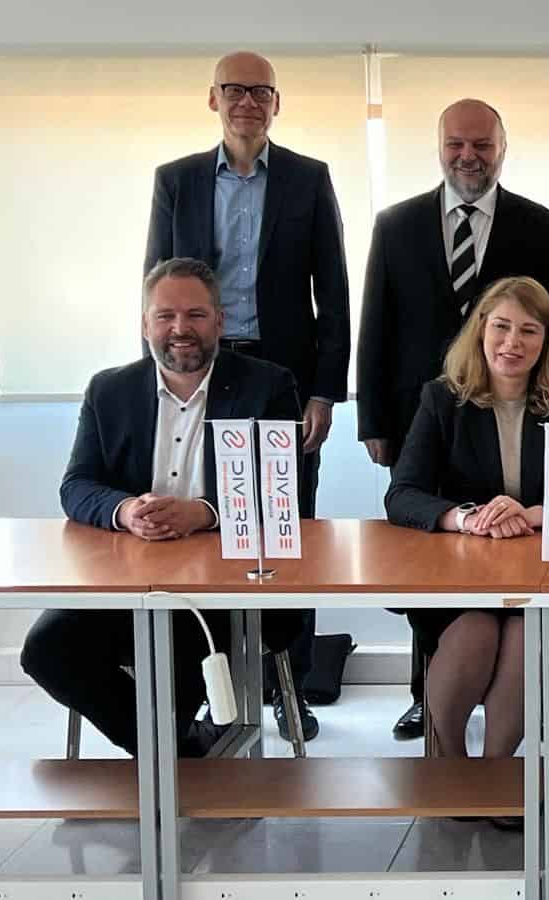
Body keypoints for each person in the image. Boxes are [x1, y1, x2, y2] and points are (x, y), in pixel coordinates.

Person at [358, 98, 549, 741]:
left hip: (533, 431)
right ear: (439, 146)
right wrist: (374, 418)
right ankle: (427, 708)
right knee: (443, 579)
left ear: (501, 149)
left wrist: (532, 511)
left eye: (482, 145)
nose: (469, 155)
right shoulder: (397, 223)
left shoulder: (540, 225)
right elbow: (375, 324)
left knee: (511, 625)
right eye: (457, 143)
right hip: (433, 411)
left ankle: (491, 771)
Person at [145, 50, 349, 741]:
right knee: (204, 514)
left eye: (261, 92)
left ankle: (290, 684)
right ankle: (209, 681)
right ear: (213, 100)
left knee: (286, 523)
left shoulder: (308, 178)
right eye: (235, 90)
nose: (247, 102)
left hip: (281, 374)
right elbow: (157, 283)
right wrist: (159, 378)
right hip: (198, 363)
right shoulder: (176, 180)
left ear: (276, 103)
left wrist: (325, 391)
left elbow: (336, 292)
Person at [25, 258, 303, 758]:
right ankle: (178, 753)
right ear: (145, 324)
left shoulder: (268, 386)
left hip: (227, 586)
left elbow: (287, 493)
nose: (180, 329)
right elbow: (77, 485)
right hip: (127, 580)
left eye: (196, 315)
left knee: (171, 658)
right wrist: (127, 509)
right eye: (165, 316)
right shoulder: (109, 390)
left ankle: (168, 761)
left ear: (220, 321)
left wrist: (204, 512)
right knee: (46, 650)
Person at [385, 277, 549, 825]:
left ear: (547, 341)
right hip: (461, 580)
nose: (512, 343)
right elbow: (402, 495)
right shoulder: (442, 399)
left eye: (529, 331)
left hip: (546, 579)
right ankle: (452, 766)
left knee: (524, 631)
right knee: (476, 628)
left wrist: (537, 513)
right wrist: (468, 518)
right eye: (500, 327)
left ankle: (498, 776)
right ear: (480, 332)